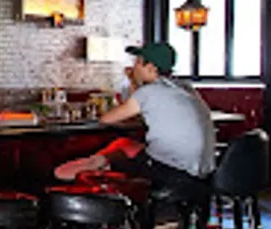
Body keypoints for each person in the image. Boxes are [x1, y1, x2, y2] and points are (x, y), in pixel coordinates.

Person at [54, 42, 215, 188]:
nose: (134, 66)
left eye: (138, 62)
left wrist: (132, 80)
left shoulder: (150, 92)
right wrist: (133, 80)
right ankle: (94, 164)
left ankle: (91, 172)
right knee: (125, 143)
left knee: (118, 153)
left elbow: (106, 118)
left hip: (170, 172)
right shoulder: (185, 87)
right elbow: (139, 107)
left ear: (151, 67)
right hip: (202, 173)